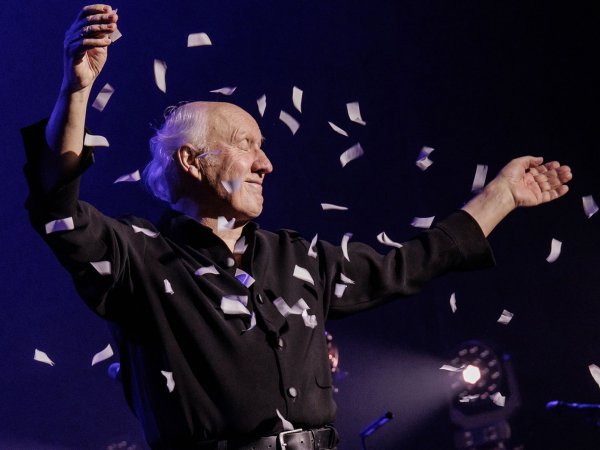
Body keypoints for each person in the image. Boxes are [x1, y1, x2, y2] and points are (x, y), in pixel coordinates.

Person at [22, 4, 572, 450]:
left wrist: (500, 195)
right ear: (191, 161)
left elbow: (415, 261)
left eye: (263, 148)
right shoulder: (135, 257)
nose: (266, 164)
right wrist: (77, 90)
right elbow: (58, 206)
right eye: (247, 145)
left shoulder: (297, 259)